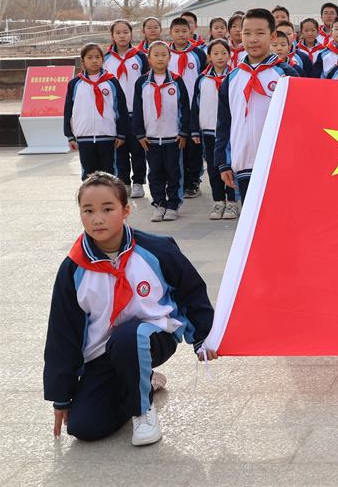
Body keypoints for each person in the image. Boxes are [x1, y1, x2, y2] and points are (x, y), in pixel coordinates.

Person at [44, 172, 217, 446]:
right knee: (84, 426)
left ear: (126, 210)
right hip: (103, 354)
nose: (97, 219)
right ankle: (139, 383)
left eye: (107, 209)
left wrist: (203, 337)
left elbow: (191, 292)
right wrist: (61, 395)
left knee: (129, 336)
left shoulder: (157, 250)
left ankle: (142, 411)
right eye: (88, 211)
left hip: (154, 337)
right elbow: (62, 332)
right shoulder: (73, 268)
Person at [215, 9, 299, 201]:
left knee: (279, 214)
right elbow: (224, 123)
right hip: (243, 162)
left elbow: (298, 122)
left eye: (260, 33)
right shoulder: (232, 78)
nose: (253, 39)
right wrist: (223, 162)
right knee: (250, 215)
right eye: (247, 33)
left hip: (278, 163)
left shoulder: (287, 75)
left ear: (272, 36)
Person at [132, 41, 189, 222]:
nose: (160, 58)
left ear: (169, 57)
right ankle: (159, 204)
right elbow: (137, 109)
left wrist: (184, 132)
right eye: (156, 55)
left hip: (173, 137)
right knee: (155, 173)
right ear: (148, 58)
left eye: (164, 55)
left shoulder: (177, 81)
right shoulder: (142, 82)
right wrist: (140, 134)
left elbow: (184, 108)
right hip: (151, 138)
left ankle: (173, 205)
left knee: (174, 172)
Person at [65, 43, 129, 179]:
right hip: (84, 136)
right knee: (89, 175)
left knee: (109, 175)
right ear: (83, 60)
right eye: (90, 57)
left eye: (98, 57)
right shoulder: (75, 83)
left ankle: (109, 193)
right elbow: (68, 111)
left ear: (102, 59)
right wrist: (69, 135)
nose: (94, 61)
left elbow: (121, 109)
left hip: (108, 135)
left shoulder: (112, 82)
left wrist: (121, 133)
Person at [190, 39, 238, 220]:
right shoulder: (202, 79)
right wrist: (195, 130)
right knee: (212, 167)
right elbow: (195, 106)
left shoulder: (234, 77)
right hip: (209, 131)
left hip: (229, 132)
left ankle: (232, 201)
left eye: (224, 53)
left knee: (231, 166)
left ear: (230, 55)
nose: (220, 57)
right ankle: (218, 200)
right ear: (209, 56)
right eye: (215, 53)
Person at [104, 21, 148, 197]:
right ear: (112, 35)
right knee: (119, 149)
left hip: (137, 111)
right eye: (118, 33)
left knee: (138, 150)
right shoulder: (105, 59)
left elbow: (147, 82)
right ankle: (123, 182)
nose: (122, 36)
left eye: (125, 32)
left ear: (131, 34)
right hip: (115, 113)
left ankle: (138, 182)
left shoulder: (141, 57)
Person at [167, 18, 206, 200]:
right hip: (172, 107)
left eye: (184, 31)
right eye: (177, 31)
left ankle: (193, 181)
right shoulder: (165, 53)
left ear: (190, 32)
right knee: (176, 145)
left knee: (194, 145)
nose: (181, 34)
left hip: (194, 106)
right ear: (170, 33)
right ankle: (177, 181)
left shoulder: (198, 53)